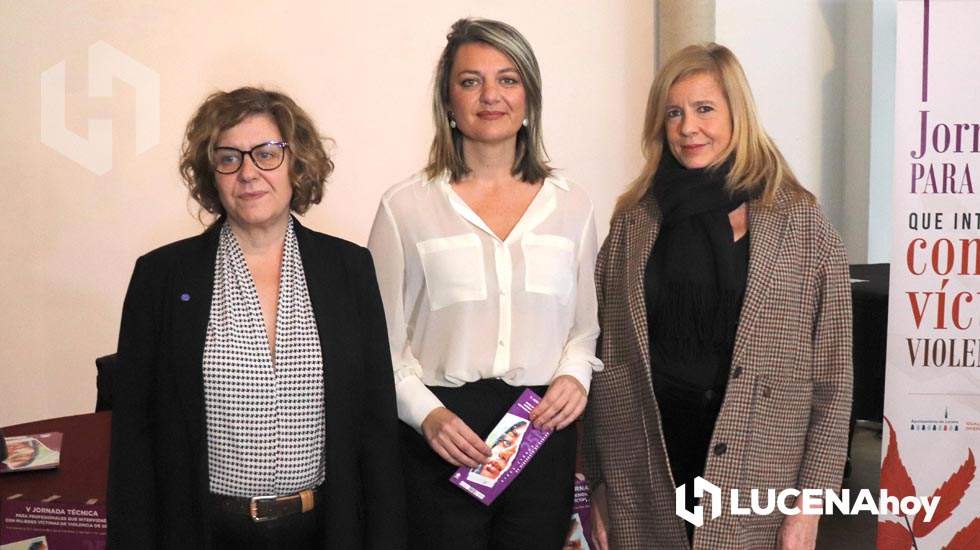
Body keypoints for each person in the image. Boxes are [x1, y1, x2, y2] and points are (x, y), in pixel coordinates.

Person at [107, 87, 405, 549]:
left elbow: (376, 426)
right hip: (202, 532)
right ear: (213, 174)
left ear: (296, 163)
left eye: (267, 154)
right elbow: (134, 442)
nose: (248, 173)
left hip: (326, 531)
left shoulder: (348, 269)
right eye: (229, 158)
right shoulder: (161, 277)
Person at [582, 43, 852, 550]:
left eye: (704, 109)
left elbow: (833, 378)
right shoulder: (633, 224)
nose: (688, 128)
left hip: (758, 474)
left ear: (737, 114)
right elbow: (601, 359)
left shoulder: (800, 222)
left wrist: (810, 506)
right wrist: (598, 483)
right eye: (674, 113)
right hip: (645, 467)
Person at [368, 18, 602, 550]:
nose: (491, 95)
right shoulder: (404, 207)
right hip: (443, 439)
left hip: (540, 431)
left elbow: (584, 329)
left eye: (508, 79)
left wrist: (574, 379)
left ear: (529, 98)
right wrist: (427, 416)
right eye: (471, 81)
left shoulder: (574, 206)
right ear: (447, 101)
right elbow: (378, 345)